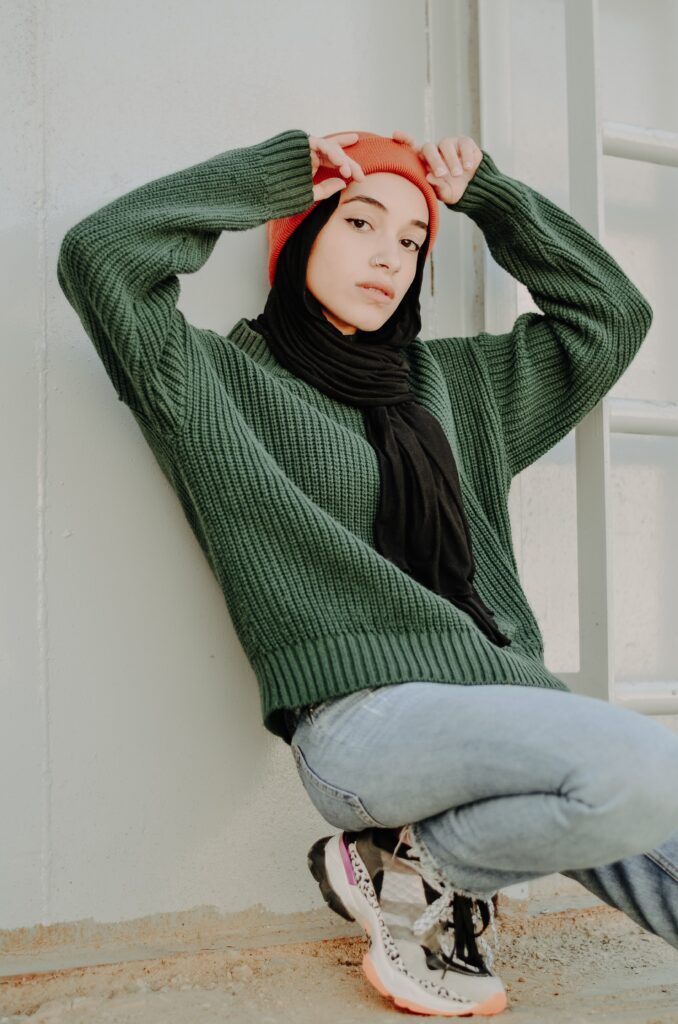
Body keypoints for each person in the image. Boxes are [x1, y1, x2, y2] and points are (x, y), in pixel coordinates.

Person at [57, 127, 678, 1018]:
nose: (390, 257)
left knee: (658, 800)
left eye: (412, 240)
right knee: (643, 769)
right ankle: (437, 869)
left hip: (500, 699)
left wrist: (494, 201)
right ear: (301, 234)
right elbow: (101, 256)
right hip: (361, 726)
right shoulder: (211, 382)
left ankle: (415, 871)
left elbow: (612, 317)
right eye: (359, 222)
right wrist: (276, 175)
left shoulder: (460, 389)